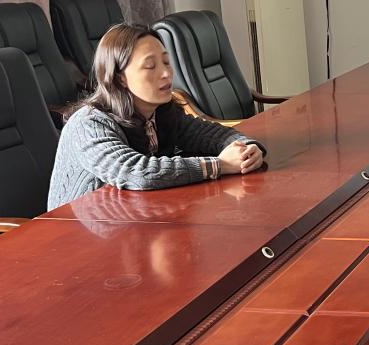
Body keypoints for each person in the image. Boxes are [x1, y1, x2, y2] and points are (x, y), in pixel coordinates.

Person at [47, 24, 265, 208]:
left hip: (134, 219)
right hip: (74, 236)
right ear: (120, 78)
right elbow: (137, 172)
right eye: (150, 66)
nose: (166, 73)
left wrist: (247, 149)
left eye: (166, 62)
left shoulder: (161, 111)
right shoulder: (89, 124)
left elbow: (211, 134)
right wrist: (219, 165)